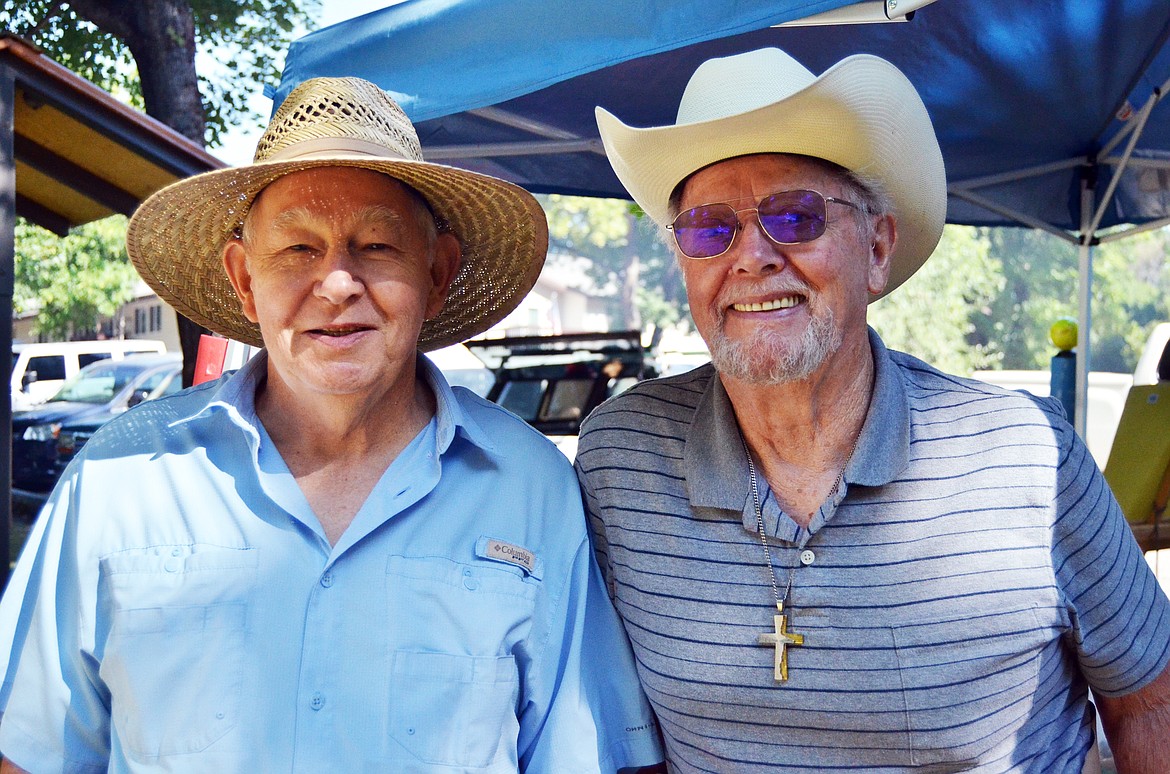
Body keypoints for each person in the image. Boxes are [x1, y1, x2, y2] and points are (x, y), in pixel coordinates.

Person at [0, 77, 662, 773]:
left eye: (376, 245)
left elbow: (590, 754)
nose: (339, 282)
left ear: (437, 273)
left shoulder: (531, 490)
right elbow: (27, 748)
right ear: (243, 279)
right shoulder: (120, 479)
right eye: (296, 250)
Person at [577, 47, 1170, 772]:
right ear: (685, 263)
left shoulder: (1026, 455)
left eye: (795, 216)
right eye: (709, 229)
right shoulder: (619, 456)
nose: (752, 256)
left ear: (879, 248)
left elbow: (1150, 701)